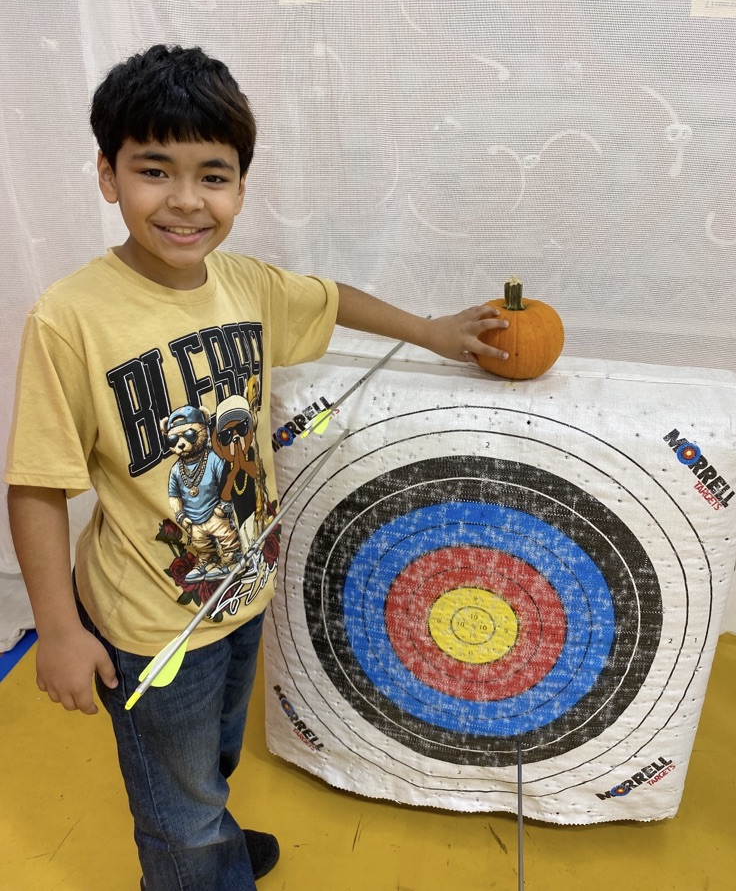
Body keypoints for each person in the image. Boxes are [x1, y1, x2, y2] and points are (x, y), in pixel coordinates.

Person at [4, 44, 508, 891]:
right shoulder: (69, 318)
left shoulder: (243, 283)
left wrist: (431, 329)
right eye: (154, 170)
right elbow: (36, 484)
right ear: (107, 173)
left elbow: (329, 296)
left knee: (214, 758)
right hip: (148, 625)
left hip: (242, 594)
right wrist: (58, 627)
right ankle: (198, 859)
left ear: (240, 183)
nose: (186, 201)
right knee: (177, 795)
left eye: (214, 175)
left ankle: (212, 839)